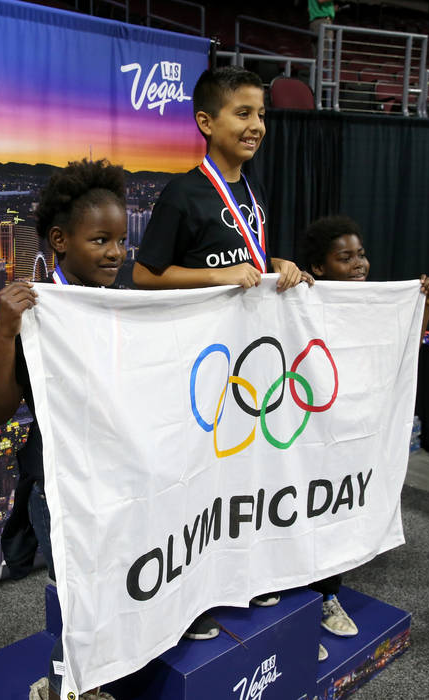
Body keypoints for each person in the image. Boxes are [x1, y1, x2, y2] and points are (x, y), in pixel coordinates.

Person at [132, 65, 312, 641]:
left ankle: (237, 576)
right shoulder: (185, 192)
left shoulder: (247, 191)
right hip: (196, 363)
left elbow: (242, 264)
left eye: (261, 114)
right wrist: (218, 279)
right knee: (195, 482)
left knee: (239, 476)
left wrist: (276, 265)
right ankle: (188, 598)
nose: (256, 124)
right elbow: (143, 275)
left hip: (243, 362)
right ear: (206, 122)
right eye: (243, 113)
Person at [0, 158, 126, 700]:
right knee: (75, 594)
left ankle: (98, 673)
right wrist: (5, 330)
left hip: (119, 475)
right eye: (101, 239)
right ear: (61, 240)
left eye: (121, 240)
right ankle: (69, 688)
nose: (115, 252)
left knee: (114, 583)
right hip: (60, 483)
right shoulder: (36, 311)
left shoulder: (124, 302)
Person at [302, 213, 429, 661]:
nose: (359, 263)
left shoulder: (374, 306)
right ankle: (292, 615)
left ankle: (326, 596)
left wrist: (426, 308)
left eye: (360, 254)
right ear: (319, 267)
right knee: (296, 516)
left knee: (334, 514)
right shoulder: (302, 302)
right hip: (306, 434)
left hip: (352, 434)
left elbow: (402, 356)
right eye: (345, 257)